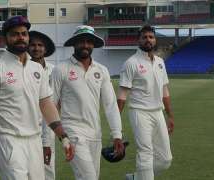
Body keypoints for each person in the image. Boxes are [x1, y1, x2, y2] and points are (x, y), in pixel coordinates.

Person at [0, 16, 74, 180]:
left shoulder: (37, 69)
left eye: (24, 34)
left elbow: (46, 104)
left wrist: (63, 136)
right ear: (4, 38)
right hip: (9, 141)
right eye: (15, 34)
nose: (21, 37)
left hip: (35, 140)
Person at [51, 25, 125, 180]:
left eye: (89, 41)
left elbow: (110, 105)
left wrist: (117, 135)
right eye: (81, 41)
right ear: (74, 43)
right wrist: (57, 137)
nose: (85, 45)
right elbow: (51, 105)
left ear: (93, 44)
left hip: (95, 133)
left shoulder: (102, 70)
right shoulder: (61, 69)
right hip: (72, 131)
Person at [117, 25, 173, 180]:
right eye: (144, 37)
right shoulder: (131, 63)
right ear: (139, 40)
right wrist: (116, 125)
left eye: (151, 37)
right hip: (139, 112)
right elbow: (122, 95)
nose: (148, 40)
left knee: (165, 159)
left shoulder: (160, 62)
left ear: (155, 40)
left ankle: (136, 177)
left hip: (158, 113)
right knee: (146, 153)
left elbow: (164, 91)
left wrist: (170, 116)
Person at [28, 30, 56, 180]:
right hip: (28, 125)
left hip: (49, 124)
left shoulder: (53, 70)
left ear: (45, 49)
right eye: (32, 45)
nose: (36, 48)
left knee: (48, 168)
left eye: (40, 45)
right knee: (28, 170)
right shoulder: (22, 68)